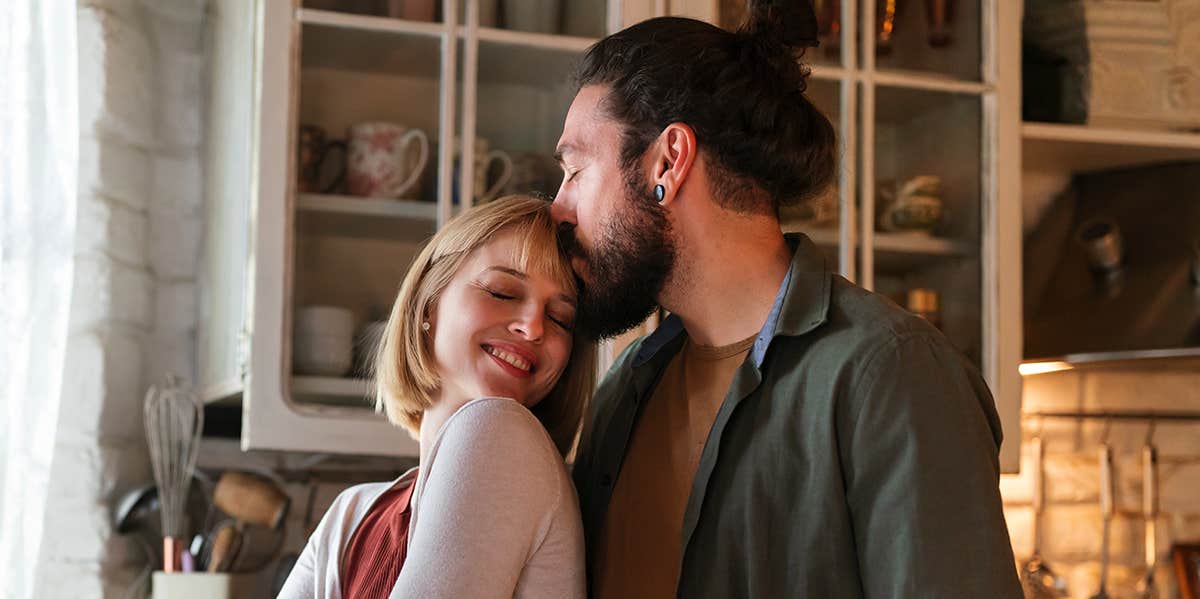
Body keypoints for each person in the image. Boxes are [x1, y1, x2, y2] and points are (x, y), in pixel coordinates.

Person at [551, 1, 1023, 598]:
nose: (558, 207)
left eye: (575, 170)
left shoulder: (889, 375)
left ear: (667, 161)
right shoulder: (628, 387)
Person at [278, 195, 594, 599]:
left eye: (559, 318)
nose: (533, 327)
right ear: (429, 301)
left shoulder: (502, 436)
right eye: (502, 292)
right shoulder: (352, 513)